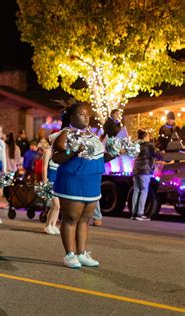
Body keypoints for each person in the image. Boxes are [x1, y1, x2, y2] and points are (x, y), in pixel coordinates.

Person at [52, 102, 116, 269]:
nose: (87, 117)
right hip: (73, 181)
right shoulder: (66, 134)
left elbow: (100, 158)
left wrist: (115, 153)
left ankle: (81, 253)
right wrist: (72, 151)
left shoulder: (93, 136)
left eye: (88, 114)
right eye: (82, 114)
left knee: (85, 220)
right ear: (72, 117)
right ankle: (70, 254)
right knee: (71, 218)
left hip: (92, 183)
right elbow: (57, 157)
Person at [131, 130, 156, 221]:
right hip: (144, 170)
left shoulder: (136, 145)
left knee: (136, 190)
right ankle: (139, 214)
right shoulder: (149, 145)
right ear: (145, 137)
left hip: (136, 169)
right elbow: (156, 155)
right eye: (148, 136)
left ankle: (134, 213)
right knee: (144, 191)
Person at [42, 131, 61, 235]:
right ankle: (48, 225)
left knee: (57, 206)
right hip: (51, 179)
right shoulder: (48, 151)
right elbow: (44, 168)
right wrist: (45, 182)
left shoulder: (59, 151)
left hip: (58, 180)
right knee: (56, 205)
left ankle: (52, 225)